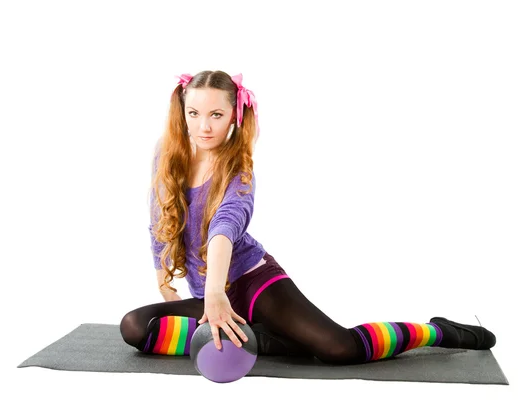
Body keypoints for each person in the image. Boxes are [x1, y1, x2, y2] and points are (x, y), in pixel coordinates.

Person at [119, 70, 496, 364]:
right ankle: (263, 340)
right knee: (135, 327)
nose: (204, 126)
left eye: (216, 114)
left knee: (339, 348)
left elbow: (223, 229)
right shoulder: (167, 153)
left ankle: (438, 331)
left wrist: (216, 292)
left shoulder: (239, 168)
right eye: (195, 113)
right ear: (182, 110)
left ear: (234, 114)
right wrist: (164, 279)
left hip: (253, 284)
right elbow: (158, 216)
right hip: (210, 295)